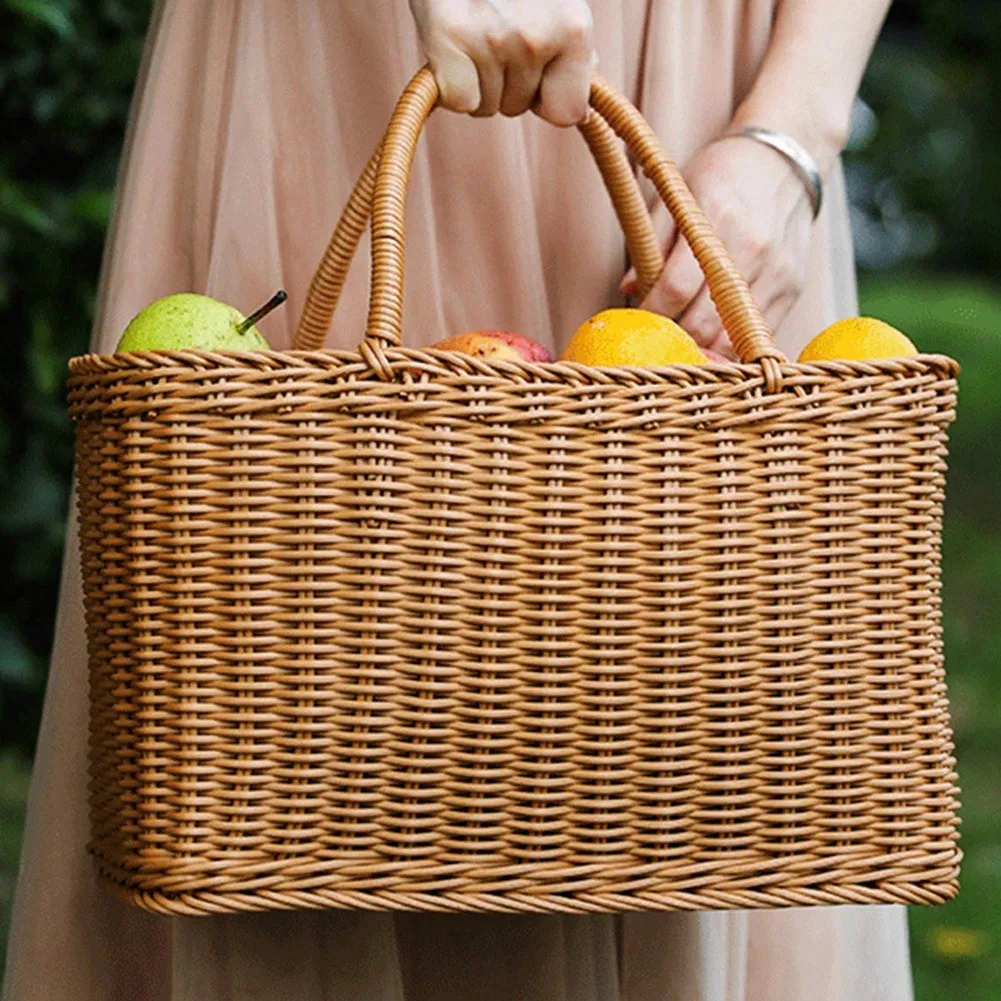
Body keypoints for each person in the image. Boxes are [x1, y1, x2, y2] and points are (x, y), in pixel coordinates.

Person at [3, 2, 907, 999]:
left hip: (715, 96)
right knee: (291, 701)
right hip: (344, 51)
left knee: (689, 711)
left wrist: (792, 130)